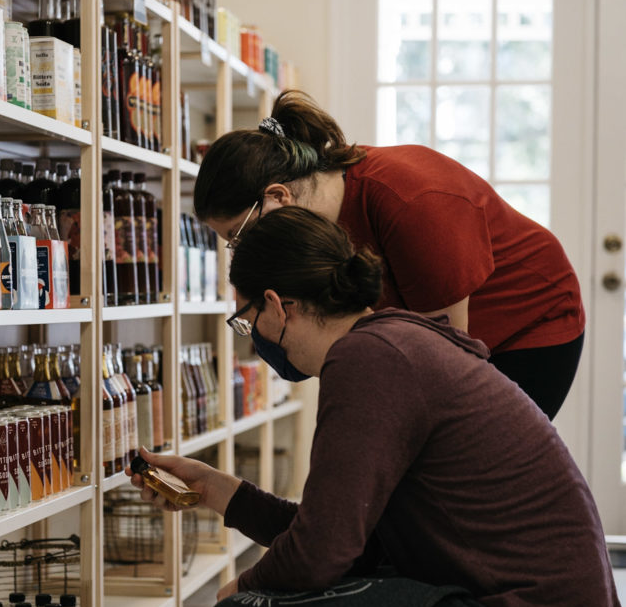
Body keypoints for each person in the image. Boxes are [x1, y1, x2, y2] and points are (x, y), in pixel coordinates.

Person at [127, 207, 623, 607]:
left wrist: (242, 592)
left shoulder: (369, 362)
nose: (254, 337)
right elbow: (347, 537)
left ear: (277, 304)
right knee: (291, 605)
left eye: (246, 320)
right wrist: (223, 492)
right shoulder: (395, 341)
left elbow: (322, 554)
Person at [193, 90, 585, 420]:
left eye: (239, 234)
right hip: (440, 335)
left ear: (278, 196)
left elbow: (445, 360)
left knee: (470, 464)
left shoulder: (409, 201)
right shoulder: (310, 225)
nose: (242, 250)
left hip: (526, 321)